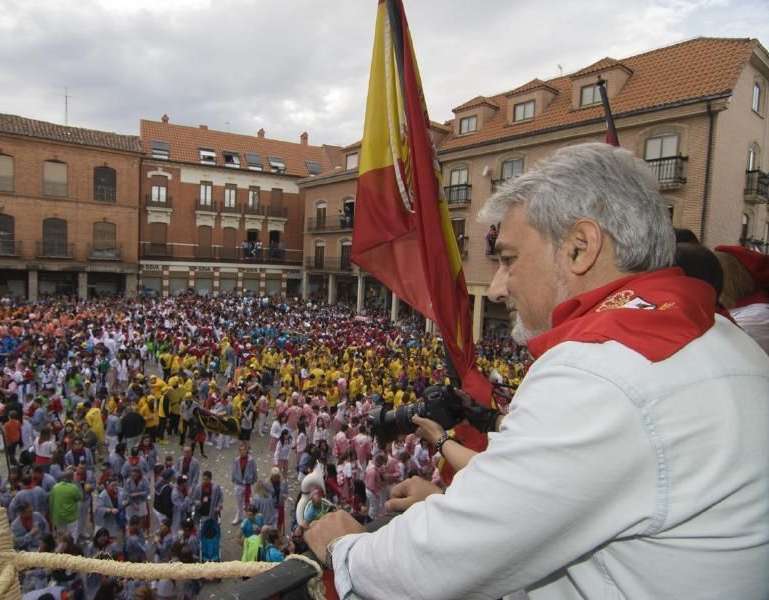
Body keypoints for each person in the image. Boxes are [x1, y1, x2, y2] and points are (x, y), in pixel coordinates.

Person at [304, 143, 769, 599]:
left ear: (579, 248)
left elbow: (437, 568)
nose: (500, 286)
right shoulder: (724, 339)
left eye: (508, 259)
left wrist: (345, 549)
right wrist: (462, 508)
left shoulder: (599, 371)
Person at [231, 442, 258, 525]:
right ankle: (238, 517)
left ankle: (248, 518)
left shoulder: (251, 460)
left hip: (248, 485)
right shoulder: (236, 460)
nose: (243, 452)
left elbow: (254, 471)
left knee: (248, 503)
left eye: (244, 450)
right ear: (239, 451)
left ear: (247, 451)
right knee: (239, 502)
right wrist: (235, 480)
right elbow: (233, 471)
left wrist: (253, 480)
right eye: (241, 450)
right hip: (238, 484)